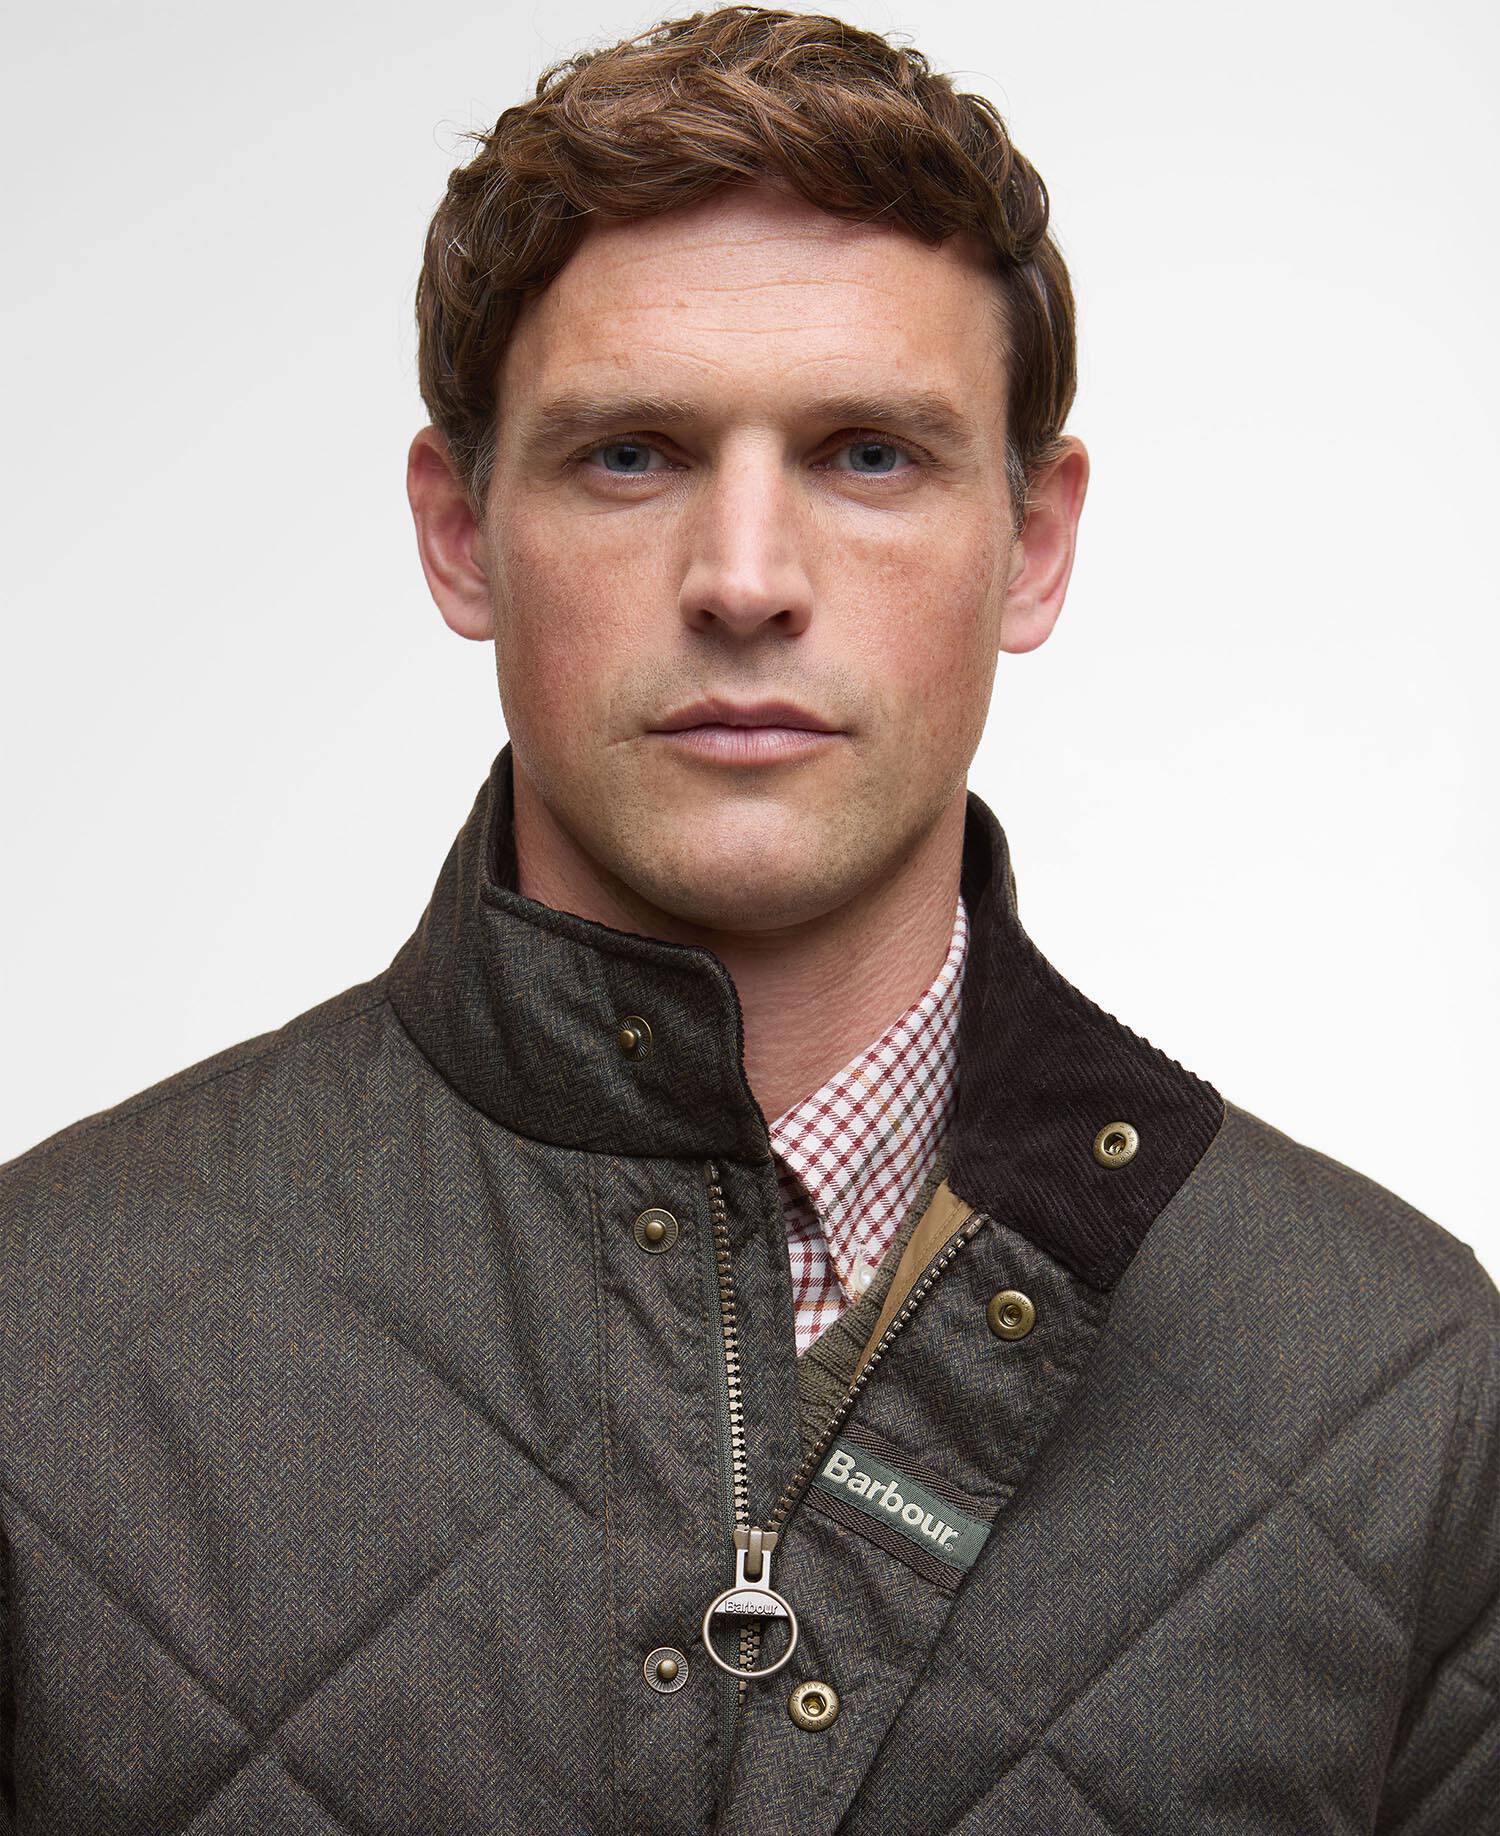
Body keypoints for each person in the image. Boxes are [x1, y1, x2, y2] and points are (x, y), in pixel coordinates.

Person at [1, 6, 1495, 1831]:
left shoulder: (1400, 1390)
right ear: (461, 534)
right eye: (631, 454)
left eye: (870, 454)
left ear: (1033, 545)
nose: (745, 579)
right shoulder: (40, 1337)